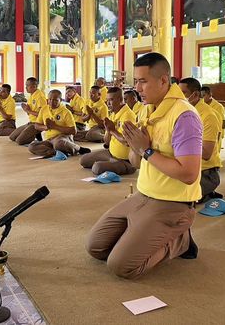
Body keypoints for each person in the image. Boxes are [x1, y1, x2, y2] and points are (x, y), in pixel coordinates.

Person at [87, 52, 203, 279]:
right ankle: (143, 233)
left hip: (173, 203)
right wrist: (137, 147)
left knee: (121, 266)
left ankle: (181, 240)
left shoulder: (185, 116)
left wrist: (147, 151)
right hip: (143, 195)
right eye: (136, 81)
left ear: (163, 80)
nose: (137, 88)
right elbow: (136, 162)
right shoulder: (148, 109)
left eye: (143, 81)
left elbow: (189, 174)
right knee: (96, 247)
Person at [179, 78, 223, 203]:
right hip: (184, 167)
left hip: (205, 172)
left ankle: (207, 191)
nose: (179, 97)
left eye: (184, 93)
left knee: (179, 200)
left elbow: (206, 153)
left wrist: (179, 143)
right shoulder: (180, 111)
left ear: (195, 95)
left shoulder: (208, 116)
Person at [80, 87, 137, 176]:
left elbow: (127, 141)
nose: (108, 103)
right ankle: (110, 163)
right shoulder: (113, 114)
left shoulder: (128, 115)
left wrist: (112, 130)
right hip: (111, 153)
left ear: (120, 100)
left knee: (97, 167)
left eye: (111, 100)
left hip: (125, 160)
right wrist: (108, 130)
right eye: (107, 100)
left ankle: (119, 166)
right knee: (83, 160)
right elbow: (106, 142)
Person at [28, 90, 91, 158]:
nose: (52, 102)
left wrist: (55, 126)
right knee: (32, 146)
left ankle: (78, 148)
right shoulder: (44, 109)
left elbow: (73, 131)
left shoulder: (66, 112)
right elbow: (36, 126)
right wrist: (46, 127)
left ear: (60, 100)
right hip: (49, 139)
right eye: (50, 99)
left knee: (59, 143)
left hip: (62, 137)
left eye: (55, 100)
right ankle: (56, 152)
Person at [9, 77, 47, 145]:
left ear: (34, 86)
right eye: (25, 85)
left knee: (19, 141)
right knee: (12, 137)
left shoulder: (40, 97)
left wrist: (27, 110)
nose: (25, 87)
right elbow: (29, 113)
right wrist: (26, 109)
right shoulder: (32, 95)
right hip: (30, 122)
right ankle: (35, 135)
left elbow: (42, 114)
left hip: (37, 124)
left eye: (27, 85)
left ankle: (35, 136)